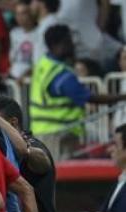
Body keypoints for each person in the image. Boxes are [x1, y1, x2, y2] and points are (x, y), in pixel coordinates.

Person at [30, 24, 126, 160]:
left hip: (42, 133)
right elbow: (90, 98)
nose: (73, 45)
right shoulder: (61, 74)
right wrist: (123, 96)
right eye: (69, 41)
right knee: (63, 176)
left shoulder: (43, 64)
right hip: (60, 135)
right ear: (59, 45)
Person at [9, 1, 39, 80]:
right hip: (14, 78)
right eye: (17, 14)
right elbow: (12, 58)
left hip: (31, 80)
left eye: (23, 13)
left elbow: (40, 62)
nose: (20, 17)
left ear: (31, 14)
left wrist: (27, 74)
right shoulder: (14, 33)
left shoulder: (40, 32)